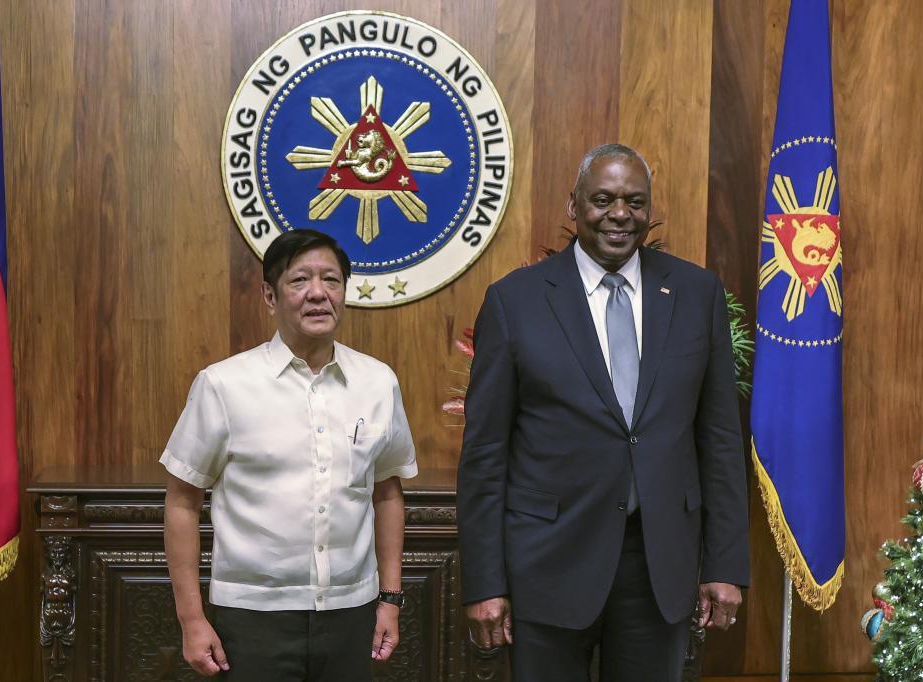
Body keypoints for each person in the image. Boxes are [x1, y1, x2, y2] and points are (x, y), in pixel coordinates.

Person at [457, 144, 750, 681]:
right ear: (573, 206)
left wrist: (726, 565)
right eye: (604, 199)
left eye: (635, 202)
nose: (620, 214)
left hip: (659, 564)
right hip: (547, 562)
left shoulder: (695, 293)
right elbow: (485, 454)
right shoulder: (515, 301)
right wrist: (485, 583)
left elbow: (721, 440)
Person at [161, 229, 418, 680]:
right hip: (253, 619)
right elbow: (183, 502)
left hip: (352, 613)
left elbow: (387, 492)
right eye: (300, 280)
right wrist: (192, 618)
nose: (318, 293)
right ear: (269, 295)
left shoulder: (379, 382)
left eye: (332, 280)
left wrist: (390, 601)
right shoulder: (223, 385)